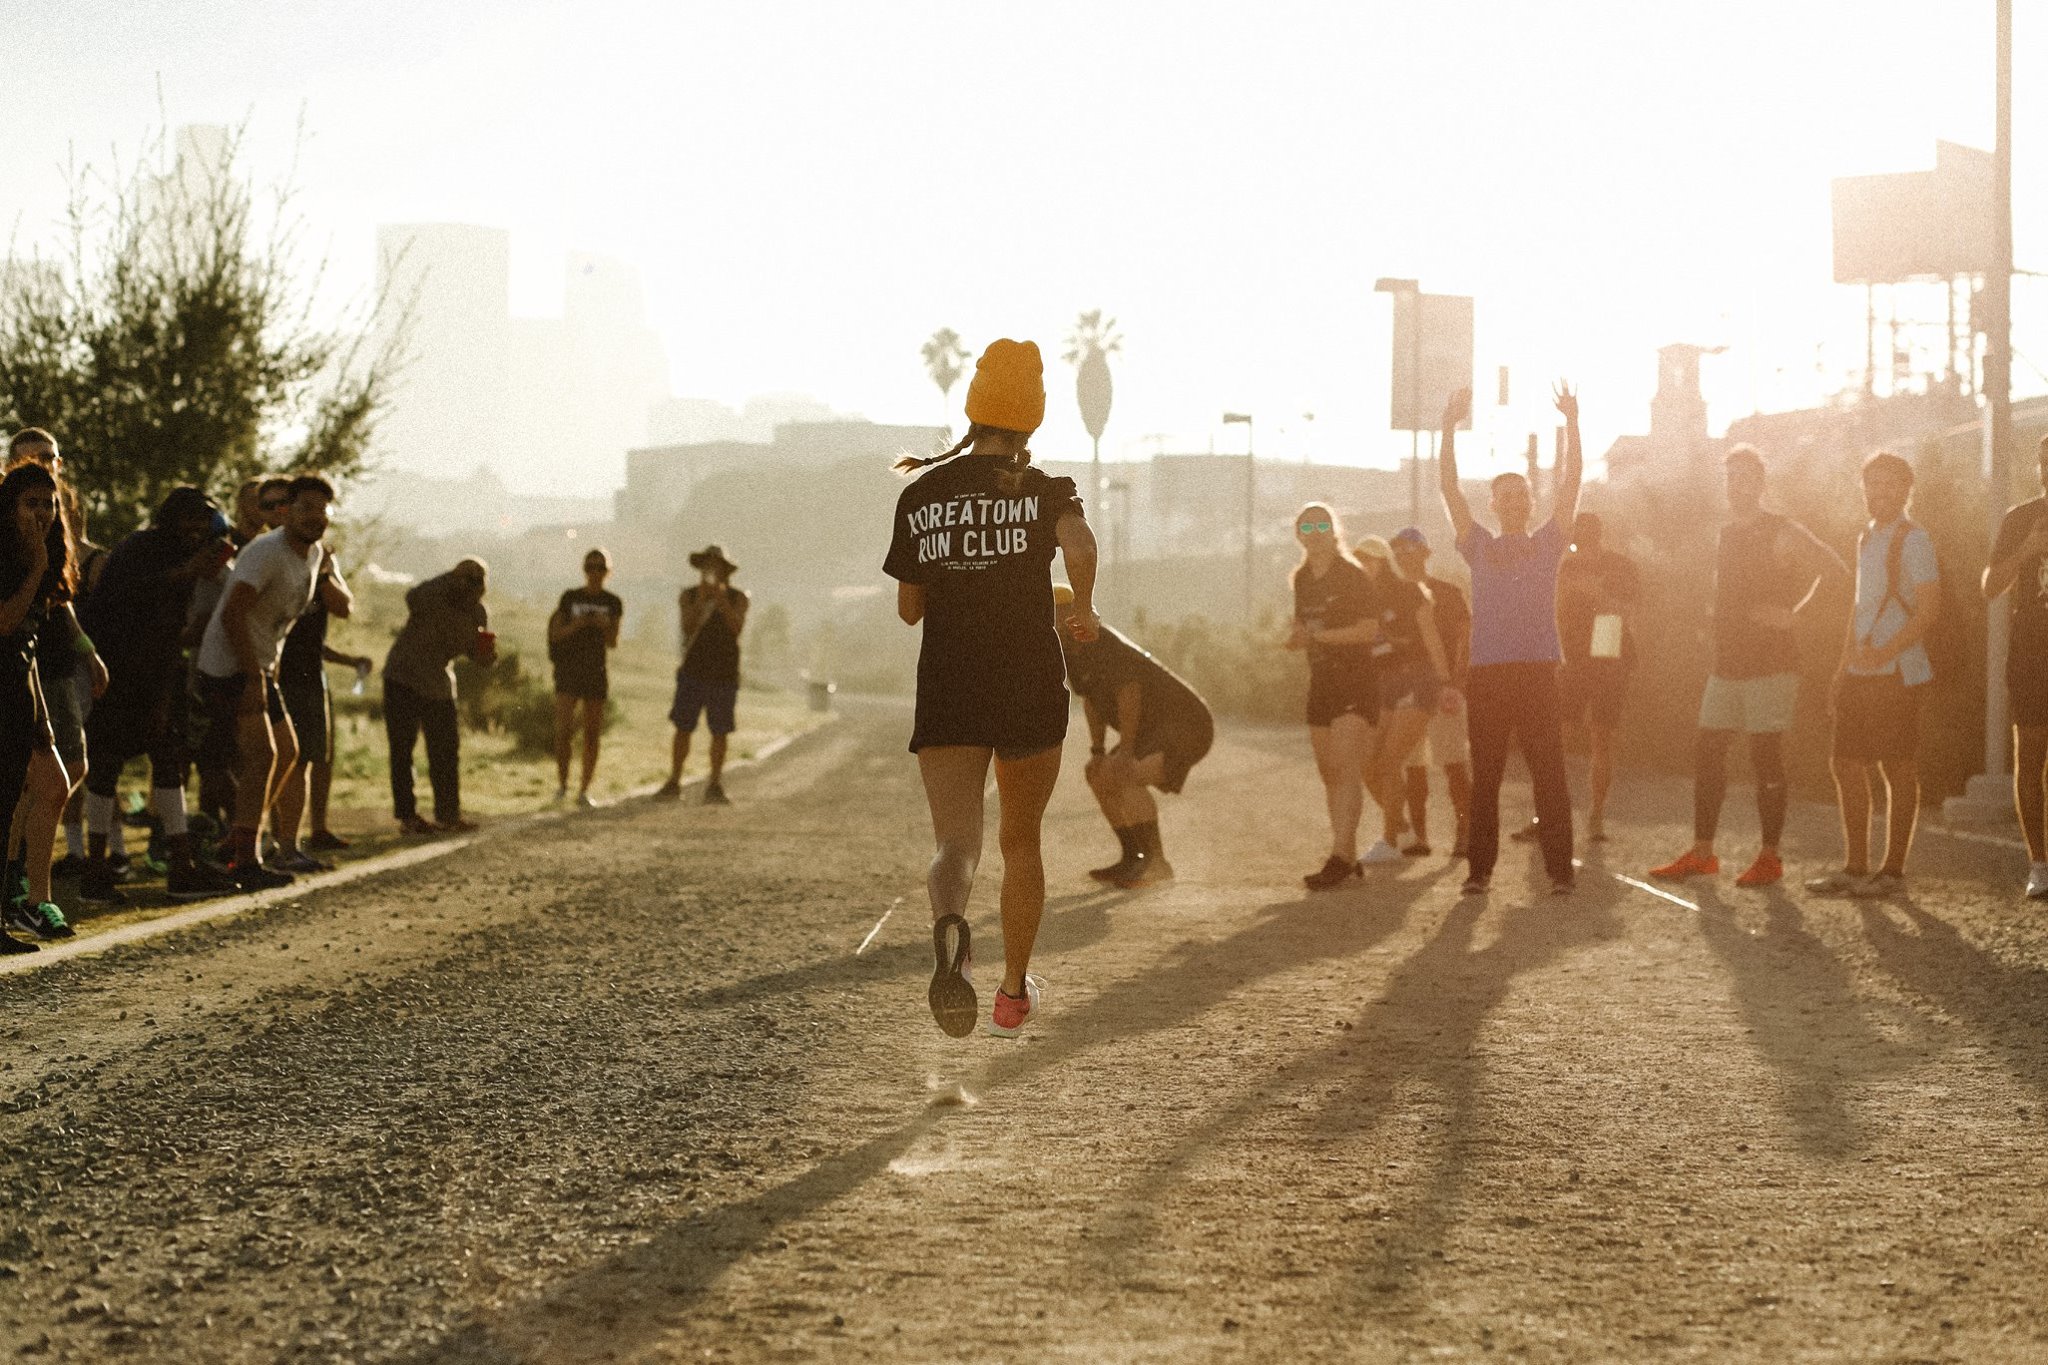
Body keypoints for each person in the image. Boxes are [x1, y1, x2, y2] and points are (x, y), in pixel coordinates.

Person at [883, 338, 1098, 1038]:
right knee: (1022, 842)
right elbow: (1082, 545)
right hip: (1027, 682)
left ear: (974, 411)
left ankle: (952, 930)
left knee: (956, 842)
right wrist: (1084, 607)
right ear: (1031, 420)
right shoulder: (1044, 490)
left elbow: (910, 609)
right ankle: (1011, 992)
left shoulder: (922, 495)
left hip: (949, 685)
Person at [1649, 445, 1844, 888]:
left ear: (1760, 482)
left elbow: (1834, 570)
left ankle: (1770, 857)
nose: (1735, 484)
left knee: (1765, 756)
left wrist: (1795, 614)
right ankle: (1702, 854)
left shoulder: (1782, 529)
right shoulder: (1724, 533)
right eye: (1729, 476)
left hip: (1772, 664)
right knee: (1707, 751)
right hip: (1727, 663)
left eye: (1743, 476)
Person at [1439, 382, 1583, 896]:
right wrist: (1447, 429)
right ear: (1495, 505)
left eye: (1522, 494)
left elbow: (1570, 486)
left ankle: (1560, 872)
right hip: (1490, 674)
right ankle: (1479, 871)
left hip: (1539, 669)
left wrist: (1572, 423)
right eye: (1506, 495)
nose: (1516, 501)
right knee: (1488, 778)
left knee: (1550, 773)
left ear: (1528, 501)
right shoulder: (1477, 545)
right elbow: (1451, 491)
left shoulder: (1548, 543)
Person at [76, 489, 241, 905]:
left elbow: (172, 633)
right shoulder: (139, 547)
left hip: (156, 676)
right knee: (105, 767)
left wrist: (166, 695)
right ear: (169, 519)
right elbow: (119, 600)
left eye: (204, 522)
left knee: (169, 760)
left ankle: (181, 866)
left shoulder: (189, 558)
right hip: (114, 673)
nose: (197, 529)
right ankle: (96, 871)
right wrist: (186, 572)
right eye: (189, 519)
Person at [1805, 452, 1941, 898]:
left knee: (1897, 765)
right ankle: (1856, 866)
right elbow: (1859, 607)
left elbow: (1928, 611)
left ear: (1906, 490)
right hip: (1862, 669)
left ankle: (1892, 872)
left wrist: (1885, 649)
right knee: (1844, 762)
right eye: (1871, 484)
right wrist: (1843, 666)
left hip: (1897, 670)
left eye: (1888, 485)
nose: (1878, 493)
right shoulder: (1865, 537)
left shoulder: (1914, 539)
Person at [194, 474, 333, 890]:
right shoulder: (265, 554)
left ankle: (238, 840)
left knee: (287, 752)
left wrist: (267, 669)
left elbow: (281, 622)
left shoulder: (313, 554)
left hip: (258, 666)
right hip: (228, 666)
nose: (316, 517)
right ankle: (245, 859)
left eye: (323, 510)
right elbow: (233, 615)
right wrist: (255, 676)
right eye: (306, 508)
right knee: (263, 756)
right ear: (286, 512)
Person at [1056, 584, 1214, 888]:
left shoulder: (1098, 639)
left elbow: (1129, 693)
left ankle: (1157, 863)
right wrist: (1098, 752)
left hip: (1188, 724)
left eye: (1053, 611)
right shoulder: (1068, 650)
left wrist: (1126, 751)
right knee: (1100, 775)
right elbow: (1091, 701)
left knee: (1126, 774)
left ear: (1069, 613)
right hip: (1154, 730)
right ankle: (1133, 858)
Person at [1285, 503, 1383, 890]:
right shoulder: (1302, 578)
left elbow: (1368, 631)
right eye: (1306, 525)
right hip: (1321, 683)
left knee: (1344, 767)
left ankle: (1340, 856)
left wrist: (1319, 637)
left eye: (1322, 524)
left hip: (1355, 683)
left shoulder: (1353, 575)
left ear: (1335, 530)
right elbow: (1301, 624)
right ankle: (1348, 854)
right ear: (1298, 534)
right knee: (1329, 773)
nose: (1314, 530)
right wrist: (1296, 638)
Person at [0, 462, 78, 948]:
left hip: (17, 693)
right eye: (31, 504)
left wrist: (43, 716)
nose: (43, 513)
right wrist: (35, 568)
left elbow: (26, 644)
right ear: (9, 508)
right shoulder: (16, 558)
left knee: (8, 806)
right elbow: (5, 622)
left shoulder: (45, 554)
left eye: (48, 504)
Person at [1353, 534, 1453, 862]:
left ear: (1383, 561)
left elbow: (1432, 637)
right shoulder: (1362, 602)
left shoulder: (1409, 592)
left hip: (1419, 678)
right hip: (1385, 684)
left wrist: (1445, 682)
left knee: (1390, 760)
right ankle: (1406, 832)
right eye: (1359, 559)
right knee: (1367, 762)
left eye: (1369, 558)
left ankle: (1390, 841)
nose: (1363, 564)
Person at [271, 552, 369, 871]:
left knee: (317, 757)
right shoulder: (277, 558)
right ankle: (280, 841)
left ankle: (312, 832)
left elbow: (343, 608)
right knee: (289, 759)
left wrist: (326, 571)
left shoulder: (323, 563)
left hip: (312, 676)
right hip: (281, 676)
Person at [1547, 512, 1640, 843]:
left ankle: (1596, 814)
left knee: (1600, 736)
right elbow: (1551, 611)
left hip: (1608, 651)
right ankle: (1547, 812)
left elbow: (1625, 612)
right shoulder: (1563, 566)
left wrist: (1595, 594)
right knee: (1554, 737)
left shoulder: (1619, 566)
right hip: (1571, 656)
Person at [384, 557, 492, 835]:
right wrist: (449, 577)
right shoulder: (432, 596)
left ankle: (448, 814)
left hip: (438, 682)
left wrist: (486, 656)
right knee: (402, 750)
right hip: (403, 676)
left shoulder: (477, 613)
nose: (472, 586)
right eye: (468, 579)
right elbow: (412, 597)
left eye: (478, 581)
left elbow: (475, 652)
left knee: (445, 750)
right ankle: (408, 817)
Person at [1983, 434, 2048, 900]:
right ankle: (2039, 864)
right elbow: (1989, 587)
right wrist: (2026, 551)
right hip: (2031, 648)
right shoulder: (2020, 518)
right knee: (2030, 756)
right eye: (2046, 462)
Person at [1392, 528, 1473, 858]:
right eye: (1399, 550)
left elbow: (1466, 641)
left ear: (1426, 553)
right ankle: (1420, 836)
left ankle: (1466, 832)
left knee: (1453, 762)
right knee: (1414, 765)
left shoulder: (1448, 593)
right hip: (1408, 690)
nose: (1405, 555)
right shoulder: (1393, 598)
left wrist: (1456, 683)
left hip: (1443, 689)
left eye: (1412, 549)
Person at [657, 545, 748, 805]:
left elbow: (736, 628)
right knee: (683, 727)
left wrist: (719, 599)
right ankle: (674, 780)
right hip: (694, 671)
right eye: (708, 566)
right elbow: (687, 626)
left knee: (720, 731)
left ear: (725, 571)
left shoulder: (737, 597)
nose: (711, 571)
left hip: (724, 673)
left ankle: (715, 783)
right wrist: (701, 601)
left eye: (716, 566)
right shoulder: (689, 595)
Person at [548, 548, 623, 806]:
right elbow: (555, 634)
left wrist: (603, 626)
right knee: (564, 729)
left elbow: (613, 641)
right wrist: (577, 625)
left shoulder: (613, 603)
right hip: (569, 669)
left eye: (600, 568)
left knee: (592, 732)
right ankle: (562, 785)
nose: (595, 573)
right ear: (584, 569)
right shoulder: (569, 598)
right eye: (590, 567)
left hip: (595, 670)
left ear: (607, 572)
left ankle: (583, 790)